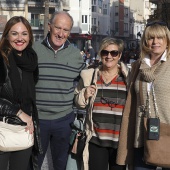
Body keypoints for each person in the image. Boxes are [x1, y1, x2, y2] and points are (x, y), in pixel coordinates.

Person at [32, 11, 85, 170]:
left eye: (66, 30)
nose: (61, 34)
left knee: (61, 165)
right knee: (33, 165)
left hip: (64, 120)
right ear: (49, 26)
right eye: (58, 28)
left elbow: (87, 79)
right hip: (37, 120)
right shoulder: (34, 50)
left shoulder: (76, 55)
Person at [116, 21, 170, 170]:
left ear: (167, 40)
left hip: (168, 132)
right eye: (151, 38)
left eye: (160, 38)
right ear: (145, 41)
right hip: (142, 132)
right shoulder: (138, 66)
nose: (155, 42)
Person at [74, 37, 130, 170]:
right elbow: (77, 102)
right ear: (100, 54)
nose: (109, 56)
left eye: (114, 53)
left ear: (120, 55)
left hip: (120, 142)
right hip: (96, 140)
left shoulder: (128, 77)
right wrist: (85, 94)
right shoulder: (90, 76)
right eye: (105, 52)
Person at [0, 16, 42, 170]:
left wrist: (30, 118)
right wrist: (18, 112)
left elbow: (30, 95)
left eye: (24, 34)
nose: (20, 38)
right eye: (14, 33)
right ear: (7, 36)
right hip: (3, 127)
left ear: (29, 36)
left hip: (24, 129)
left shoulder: (31, 60)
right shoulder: (2, 59)